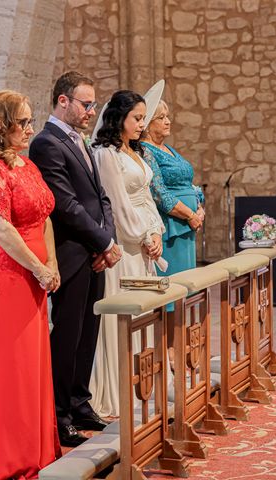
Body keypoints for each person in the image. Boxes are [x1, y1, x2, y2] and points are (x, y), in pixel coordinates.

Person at [0, 90, 61, 479]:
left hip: (37, 271)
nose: (29, 129)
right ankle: (12, 454)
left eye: (29, 121)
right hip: (9, 275)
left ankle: (38, 447)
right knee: (14, 364)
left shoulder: (26, 165)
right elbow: (0, 227)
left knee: (35, 363)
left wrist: (52, 261)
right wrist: (38, 268)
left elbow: (45, 216)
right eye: (22, 122)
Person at [29, 71, 121, 446]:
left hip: (93, 251)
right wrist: (102, 241)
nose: (91, 111)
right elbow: (64, 205)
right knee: (67, 333)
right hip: (69, 252)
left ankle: (81, 402)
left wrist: (106, 240)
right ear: (63, 101)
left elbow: (100, 197)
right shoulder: (46, 143)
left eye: (93, 104)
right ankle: (60, 412)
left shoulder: (80, 140)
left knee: (88, 332)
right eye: (86, 104)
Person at [88, 90, 166, 416]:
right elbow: (116, 206)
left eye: (143, 117)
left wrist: (157, 233)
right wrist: (141, 235)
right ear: (119, 117)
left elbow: (146, 197)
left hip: (144, 242)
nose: (141, 123)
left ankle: (141, 385)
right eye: (136, 117)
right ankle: (116, 391)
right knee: (123, 318)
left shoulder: (134, 151)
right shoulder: (106, 154)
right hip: (123, 245)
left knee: (142, 316)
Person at [141, 100, 204, 368]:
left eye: (168, 116)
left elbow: (189, 182)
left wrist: (199, 206)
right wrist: (189, 215)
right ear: (147, 124)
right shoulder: (146, 151)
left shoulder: (168, 148)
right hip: (172, 228)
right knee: (171, 289)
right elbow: (160, 194)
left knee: (186, 289)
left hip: (188, 228)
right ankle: (167, 348)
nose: (167, 122)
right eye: (161, 117)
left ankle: (181, 342)